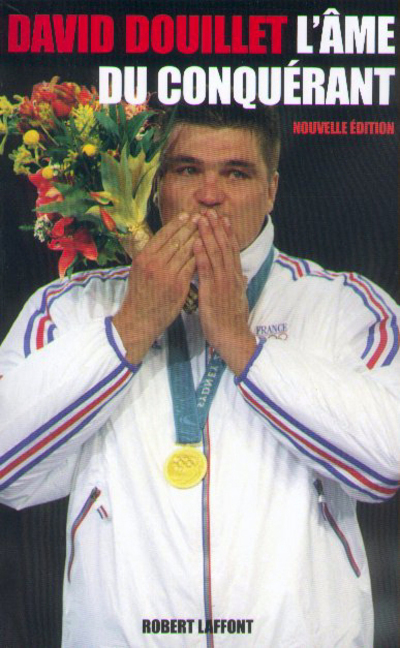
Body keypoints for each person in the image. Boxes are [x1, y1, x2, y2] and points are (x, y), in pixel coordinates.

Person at [0, 101, 399, 648]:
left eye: (236, 173)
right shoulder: (71, 308)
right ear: (154, 185)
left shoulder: (347, 306)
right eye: (187, 170)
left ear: (271, 190)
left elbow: (384, 464)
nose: (210, 195)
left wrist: (242, 345)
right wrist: (128, 329)